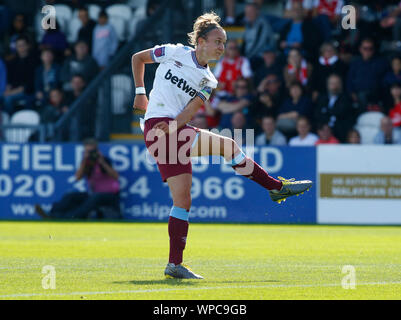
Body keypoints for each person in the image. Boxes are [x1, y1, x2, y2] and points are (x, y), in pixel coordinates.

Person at [131, 12, 312, 279]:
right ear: (201, 41)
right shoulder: (174, 51)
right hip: (159, 127)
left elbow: (190, 111)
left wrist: (172, 126)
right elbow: (138, 58)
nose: (222, 47)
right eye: (217, 41)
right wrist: (140, 93)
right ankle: (275, 187)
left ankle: (174, 265)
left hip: (171, 129)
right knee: (227, 146)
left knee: (183, 200)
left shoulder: (209, 80)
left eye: (224, 43)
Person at [35, 138, 121, 219]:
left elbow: (116, 176)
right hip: (94, 194)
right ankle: (51, 214)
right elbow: (77, 177)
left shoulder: (105, 160)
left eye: (92, 151)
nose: (91, 154)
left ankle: (66, 218)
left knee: (94, 198)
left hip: (110, 195)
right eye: (88, 151)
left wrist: (101, 162)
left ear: (97, 150)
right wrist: (84, 161)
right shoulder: (87, 163)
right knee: (70, 196)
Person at [314, 74, 354, 142]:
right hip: (324, 131)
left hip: (341, 131)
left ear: (341, 85)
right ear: (328, 85)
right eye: (332, 83)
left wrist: (326, 110)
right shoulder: (322, 98)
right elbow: (317, 114)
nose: (335, 86)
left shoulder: (346, 98)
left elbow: (341, 112)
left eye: (337, 83)